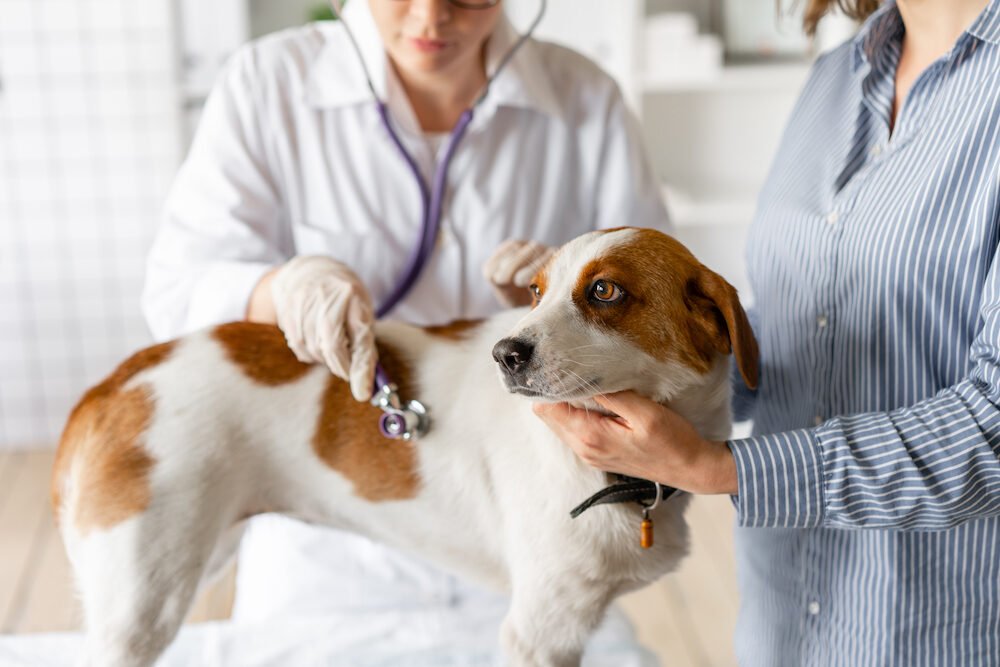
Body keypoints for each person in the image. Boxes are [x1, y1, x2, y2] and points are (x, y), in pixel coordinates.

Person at [142, 0, 670, 659]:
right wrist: (284, 288)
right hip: (331, 537)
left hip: (534, 532)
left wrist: (560, 304)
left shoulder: (584, 97)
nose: (430, 19)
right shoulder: (267, 83)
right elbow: (175, 288)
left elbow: (661, 309)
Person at [534, 0, 1000, 664]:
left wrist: (719, 468)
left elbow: (996, 424)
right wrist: (622, 349)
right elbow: (801, 324)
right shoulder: (839, 76)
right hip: (783, 617)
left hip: (937, 630)